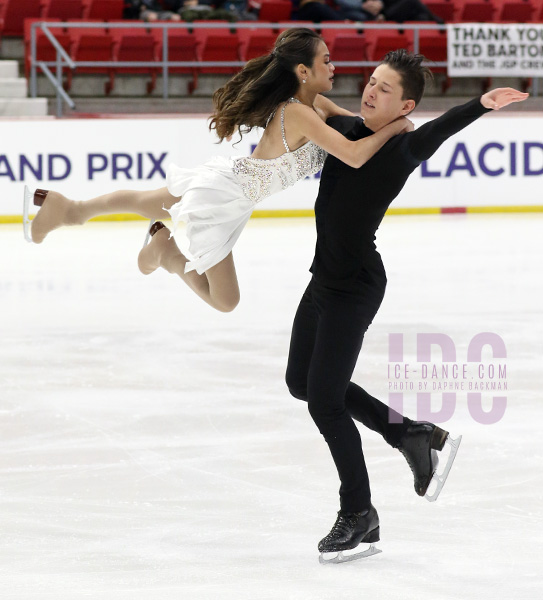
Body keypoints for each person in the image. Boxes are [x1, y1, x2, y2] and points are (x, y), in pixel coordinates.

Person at [284, 49, 528, 562]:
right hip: (322, 280)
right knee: (301, 383)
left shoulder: (403, 148)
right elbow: (308, 99)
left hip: (356, 287)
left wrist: (480, 104)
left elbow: (438, 131)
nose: (371, 91)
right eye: (372, 81)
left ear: (406, 105)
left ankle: (359, 514)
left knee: (324, 401)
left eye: (385, 89)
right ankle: (410, 432)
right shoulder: (348, 128)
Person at [24, 28, 410, 314]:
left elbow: (361, 129)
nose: (333, 65)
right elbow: (355, 154)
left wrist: (392, 117)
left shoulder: (318, 107)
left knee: (148, 201)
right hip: (224, 198)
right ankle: (167, 253)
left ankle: (69, 208)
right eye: (325, 59)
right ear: (303, 71)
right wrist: (401, 126)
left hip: (229, 186)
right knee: (226, 300)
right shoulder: (297, 112)